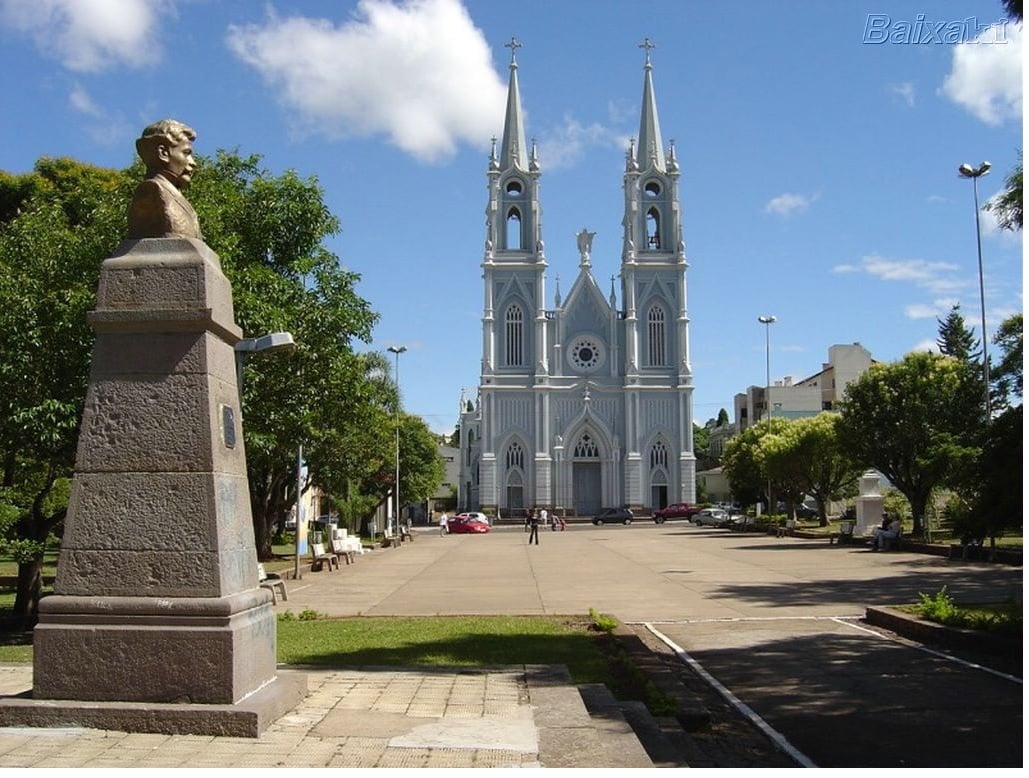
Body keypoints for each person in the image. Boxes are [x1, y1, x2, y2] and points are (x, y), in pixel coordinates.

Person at [127, 119, 202, 239]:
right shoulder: (152, 191)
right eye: (186, 153)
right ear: (163, 153)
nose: (193, 163)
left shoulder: (172, 194)